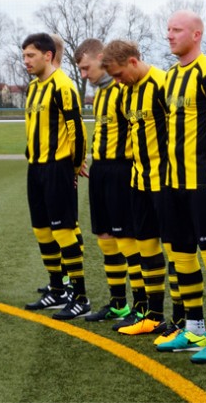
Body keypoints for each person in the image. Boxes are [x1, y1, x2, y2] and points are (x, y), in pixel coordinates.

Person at [156, 10, 206, 364]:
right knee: (182, 255)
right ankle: (194, 327)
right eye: (168, 29)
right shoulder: (170, 77)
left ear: (197, 34)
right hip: (175, 182)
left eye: (177, 30)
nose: (169, 35)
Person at [100, 40, 180, 342]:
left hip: (167, 180)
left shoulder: (161, 83)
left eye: (120, 74)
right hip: (139, 179)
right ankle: (153, 315)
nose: (117, 81)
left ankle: (181, 319)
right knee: (146, 247)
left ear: (133, 62)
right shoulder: (125, 91)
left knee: (175, 251)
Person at [74, 38, 147, 324]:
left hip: (121, 170)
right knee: (105, 237)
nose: (83, 75)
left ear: (101, 58)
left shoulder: (123, 89)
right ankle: (118, 303)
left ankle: (141, 305)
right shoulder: (101, 94)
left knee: (127, 239)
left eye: (86, 67)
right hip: (100, 170)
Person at [21, 32, 91, 321]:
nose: (26, 61)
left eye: (31, 55)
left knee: (63, 230)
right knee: (42, 230)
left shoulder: (63, 86)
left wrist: (74, 166)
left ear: (47, 56)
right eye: (24, 55)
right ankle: (57, 288)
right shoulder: (33, 87)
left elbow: (76, 130)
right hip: (35, 167)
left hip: (58, 167)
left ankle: (81, 296)